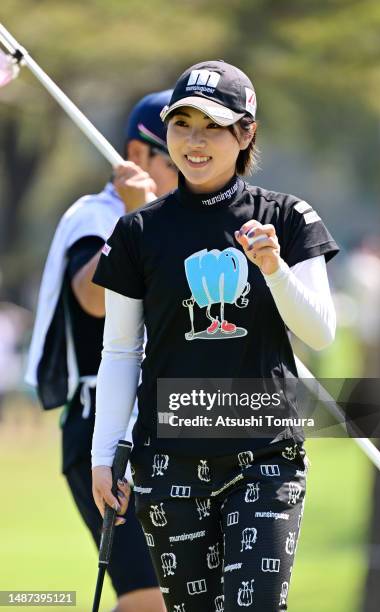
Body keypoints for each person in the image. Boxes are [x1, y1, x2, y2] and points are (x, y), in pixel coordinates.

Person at [92, 60, 339, 611]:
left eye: (212, 127)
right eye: (181, 125)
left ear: (245, 132)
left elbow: (319, 332)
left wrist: (273, 270)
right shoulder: (136, 233)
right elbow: (121, 352)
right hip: (168, 466)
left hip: (266, 457)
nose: (194, 142)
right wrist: (103, 455)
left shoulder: (288, 218)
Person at [25, 90, 177, 612]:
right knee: (148, 600)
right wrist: (132, 222)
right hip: (103, 430)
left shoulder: (180, 223)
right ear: (139, 157)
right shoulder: (97, 215)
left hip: (166, 428)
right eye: (176, 154)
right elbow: (92, 297)